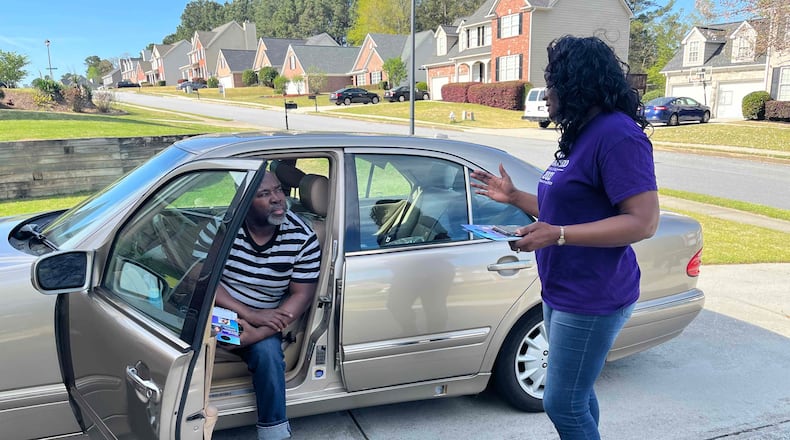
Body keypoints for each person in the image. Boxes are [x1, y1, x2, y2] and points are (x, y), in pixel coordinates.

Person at [471, 35, 659, 439]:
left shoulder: (618, 135)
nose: (547, 93)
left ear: (578, 84)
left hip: (593, 295)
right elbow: (572, 209)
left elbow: (643, 222)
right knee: (577, 393)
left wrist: (557, 235)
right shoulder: (585, 133)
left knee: (561, 402)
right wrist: (515, 197)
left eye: (553, 82)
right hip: (562, 289)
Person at [201, 171, 321, 440]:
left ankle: (275, 433)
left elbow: (302, 296)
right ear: (243, 201)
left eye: (278, 190)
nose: (277, 199)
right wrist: (248, 314)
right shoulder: (222, 228)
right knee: (186, 332)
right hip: (220, 309)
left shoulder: (302, 236)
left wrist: (257, 332)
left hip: (266, 318)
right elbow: (201, 280)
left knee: (267, 353)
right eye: (264, 194)